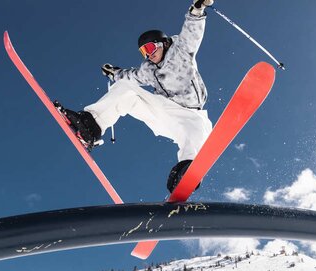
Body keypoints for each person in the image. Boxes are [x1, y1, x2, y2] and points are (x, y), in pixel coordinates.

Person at [56, 0, 216, 192]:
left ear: (163, 43)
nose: (148, 55)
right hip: (164, 111)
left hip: (192, 113)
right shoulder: (148, 69)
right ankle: (91, 127)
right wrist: (114, 73)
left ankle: (187, 169)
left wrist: (197, 9)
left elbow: (192, 31)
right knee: (126, 89)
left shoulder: (181, 51)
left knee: (194, 134)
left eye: (149, 48)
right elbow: (131, 76)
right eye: (143, 52)